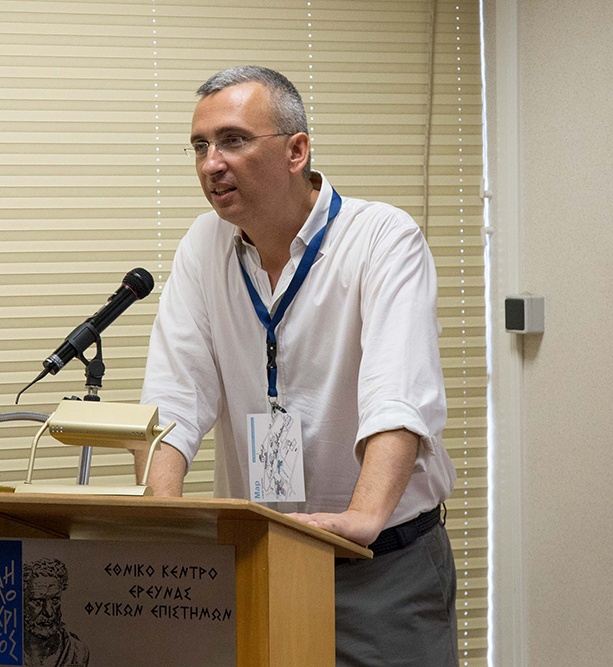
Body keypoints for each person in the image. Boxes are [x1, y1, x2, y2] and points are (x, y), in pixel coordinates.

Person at [135, 66, 459, 666]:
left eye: (232, 140)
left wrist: (362, 519)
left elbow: (397, 394)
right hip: (255, 557)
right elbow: (172, 399)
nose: (211, 164)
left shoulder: (382, 237)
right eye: (200, 146)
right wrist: (164, 527)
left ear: (296, 151)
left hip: (379, 565)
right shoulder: (203, 246)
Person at [23, 558, 90, 667]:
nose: (49, 612)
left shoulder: (76, 650)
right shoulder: (6, 647)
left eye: (55, 600)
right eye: (37, 601)